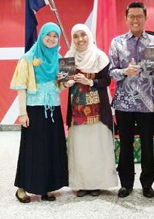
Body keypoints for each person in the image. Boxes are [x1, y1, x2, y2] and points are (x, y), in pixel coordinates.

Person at [10, 22, 68, 203]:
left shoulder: (59, 58)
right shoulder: (28, 58)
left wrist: (66, 82)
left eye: (55, 36)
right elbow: (20, 86)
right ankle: (21, 188)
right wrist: (22, 113)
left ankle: (48, 187)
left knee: (52, 148)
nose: (51, 39)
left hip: (53, 109)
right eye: (47, 35)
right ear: (41, 36)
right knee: (32, 149)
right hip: (34, 109)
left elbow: (60, 86)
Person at [109, 1, 154, 199]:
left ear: (145, 18)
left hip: (148, 103)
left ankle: (147, 184)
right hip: (123, 103)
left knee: (147, 144)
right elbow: (111, 72)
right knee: (126, 144)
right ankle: (126, 184)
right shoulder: (117, 43)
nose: (135, 20)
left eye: (139, 16)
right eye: (132, 16)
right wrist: (125, 71)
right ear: (126, 18)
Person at [63, 24, 118, 197]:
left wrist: (91, 82)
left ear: (89, 35)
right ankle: (82, 184)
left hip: (98, 112)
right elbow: (62, 82)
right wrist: (67, 83)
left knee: (97, 146)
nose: (80, 40)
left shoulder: (99, 56)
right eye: (76, 36)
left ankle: (97, 183)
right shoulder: (69, 56)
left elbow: (106, 81)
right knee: (80, 148)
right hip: (77, 111)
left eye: (83, 35)